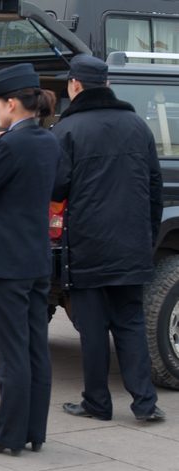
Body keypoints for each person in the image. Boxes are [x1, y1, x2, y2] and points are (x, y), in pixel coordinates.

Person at [53, 55, 166, 423]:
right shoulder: (137, 125)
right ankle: (145, 404)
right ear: (107, 84)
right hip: (131, 244)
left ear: (75, 85)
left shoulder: (68, 130)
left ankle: (97, 403)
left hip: (88, 244)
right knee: (130, 323)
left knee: (93, 328)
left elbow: (57, 186)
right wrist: (146, 237)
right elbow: (154, 188)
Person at [0, 64, 61, 455]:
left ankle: (7, 434)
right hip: (36, 256)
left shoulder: (7, 144)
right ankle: (34, 431)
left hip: (4, 260)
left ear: (10, 104)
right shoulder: (49, 141)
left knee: (10, 354)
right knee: (36, 347)